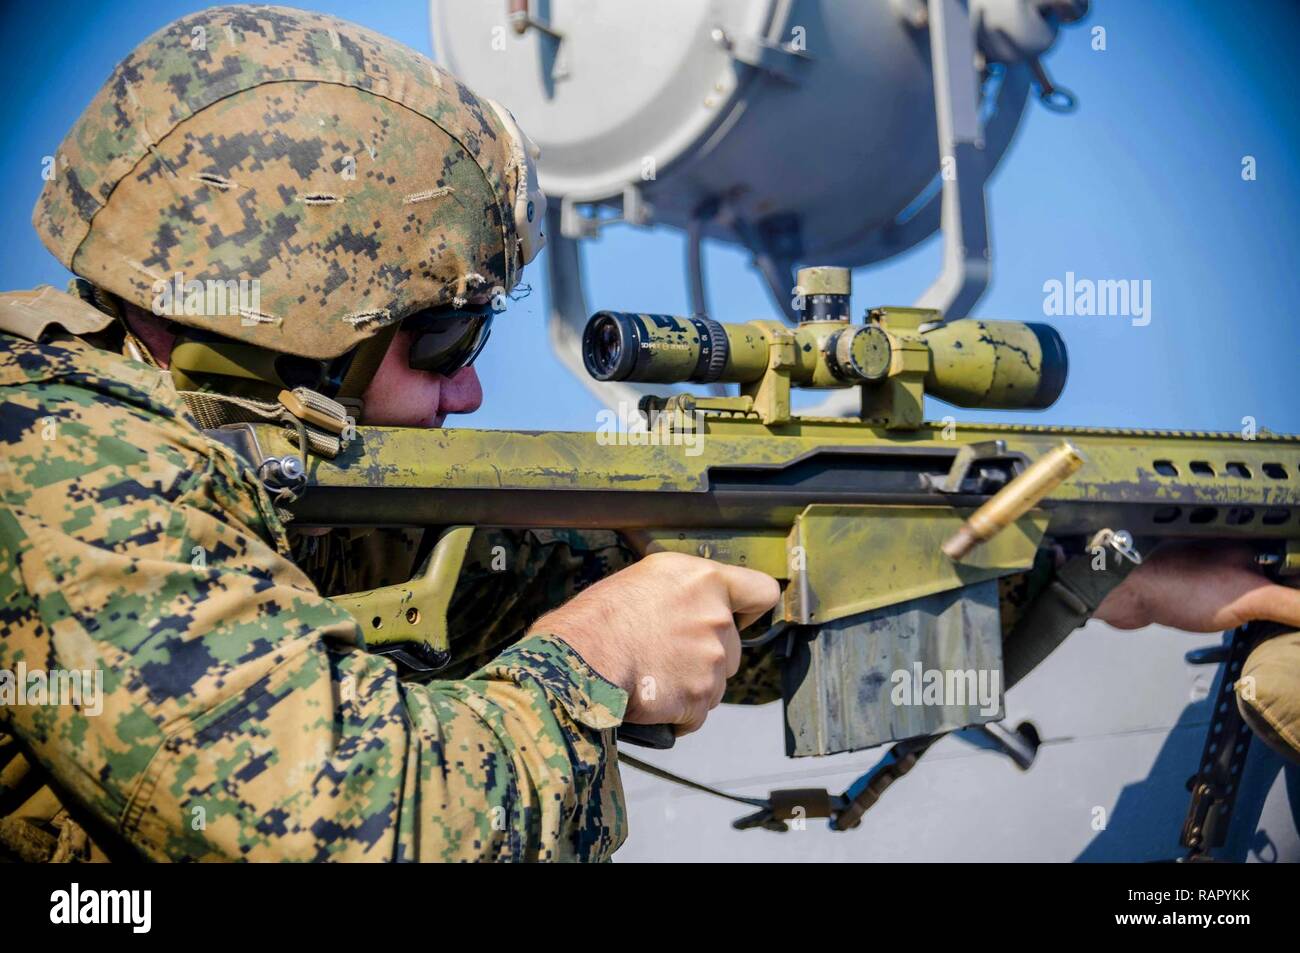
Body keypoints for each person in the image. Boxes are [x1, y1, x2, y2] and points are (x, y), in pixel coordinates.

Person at [0, 5, 1294, 865]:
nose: (469, 398)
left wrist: (1089, 566)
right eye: (440, 345)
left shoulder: (266, 470)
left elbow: (777, 636)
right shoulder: (60, 461)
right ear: (297, 323)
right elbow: (365, 827)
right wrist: (591, 659)